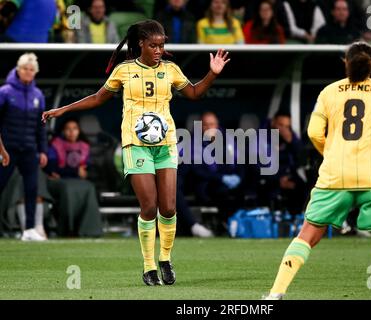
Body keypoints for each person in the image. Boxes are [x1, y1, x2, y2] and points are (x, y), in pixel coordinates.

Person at [42, 20, 230, 286]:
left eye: (162, 45)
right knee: (149, 206)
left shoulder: (171, 70)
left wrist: (212, 73)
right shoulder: (125, 70)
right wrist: (63, 110)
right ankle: (149, 265)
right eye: (153, 45)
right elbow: (97, 98)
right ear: (141, 43)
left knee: (168, 207)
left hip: (165, 145)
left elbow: (195, 92)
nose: (158, 50)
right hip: (136, 144)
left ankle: (165, 258)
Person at [263, 42, 371, 300]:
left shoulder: (329, 92)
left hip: (335, 175)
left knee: (307, 234)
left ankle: (276, 293)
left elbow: (313, 133)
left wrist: (329, 153)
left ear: (345, 62)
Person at [0, 53, 48, 241]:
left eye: (31, 70)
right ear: (18, 70)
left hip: (29, 149)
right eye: (25, 69)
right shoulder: (5, 92)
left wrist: (43, 150)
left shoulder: (38, 95)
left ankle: (29, 229)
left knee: (32, 189)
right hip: (7, 150)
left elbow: (41, 127)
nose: (28, 72)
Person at [45, 118, 103, 237]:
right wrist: (76, 171)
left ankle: (89, 230)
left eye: (74, 129)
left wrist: (85, 173)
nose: (71, 132)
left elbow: (90, 169)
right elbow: (53, 169)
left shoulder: (85, 147)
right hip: (59, 182)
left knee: (90, 188)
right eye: (68, 129)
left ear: (79, 131)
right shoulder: (55, 145)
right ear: (63, 131)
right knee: (68, 189)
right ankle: (68, 229)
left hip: (79, 182)